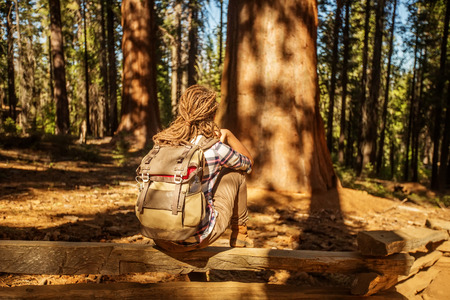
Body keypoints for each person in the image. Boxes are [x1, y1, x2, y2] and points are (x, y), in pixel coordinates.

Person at [151, 85, 254, 252]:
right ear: (213, 115)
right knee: (236, 174)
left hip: (159, 235)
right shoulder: (215, 147)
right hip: (195, 237)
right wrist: (227, 134)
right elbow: (248, 163)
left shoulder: (164, 142)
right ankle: (241, 234)